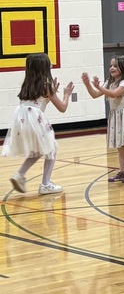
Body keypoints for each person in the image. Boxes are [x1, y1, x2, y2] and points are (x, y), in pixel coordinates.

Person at [5, 53, 73, 195]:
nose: (51, 65)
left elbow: (39, 101)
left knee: (40, 149)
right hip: (35, 118)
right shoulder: (46, 86)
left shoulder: (27, 84)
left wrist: (51, 94)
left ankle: (19, 174)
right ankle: (46, 184)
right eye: (49, 63)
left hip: (22, 118)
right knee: (51, 148)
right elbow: (62, 108)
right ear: (44, 67)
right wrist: (66, 94)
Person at [81, 56, 124, 183]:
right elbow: (95, 95)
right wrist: (87, 84)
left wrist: (99, 87)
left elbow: (114, 94)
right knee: (120, 147)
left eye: (115, 66)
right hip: (116, 116)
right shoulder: (109, 82)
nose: (112, 68)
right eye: (111, 65)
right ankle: (123, 171)